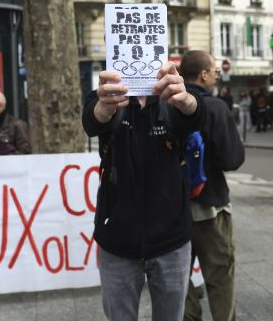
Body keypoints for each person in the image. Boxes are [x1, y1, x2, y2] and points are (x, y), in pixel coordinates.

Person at [82, 62, 204, 321]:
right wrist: (104, 108)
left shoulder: (172, 96)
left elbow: (197, 114)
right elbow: (91, 121)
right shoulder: (107, 95)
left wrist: (188, 101)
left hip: (172, 242)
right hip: (117, 243)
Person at [180, 51, 245, 321]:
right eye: (214, 71)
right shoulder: (215, 107)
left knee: (179, 278)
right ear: (203, 74)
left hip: (174, 212)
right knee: (220, 275)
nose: (216, 75)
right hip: (211, 207)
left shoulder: (165, 105)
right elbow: (232, 159)